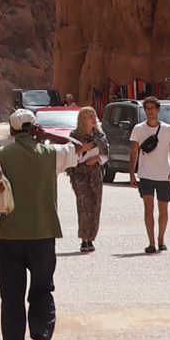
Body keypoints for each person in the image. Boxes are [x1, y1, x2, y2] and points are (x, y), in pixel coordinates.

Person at [0, 109, 78, 340]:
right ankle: (42, 338)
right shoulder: (51, 155)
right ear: (35, 129)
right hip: (44, 235)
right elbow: (77, 149)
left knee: (11, 298)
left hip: (10, 237)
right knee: (42, 290)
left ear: (11, 131)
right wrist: (48, 137)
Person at [129, 95, 170, 253]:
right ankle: (151, 243)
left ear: (158, 110)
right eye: (147, 109)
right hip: (145, 175)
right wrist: (132, 173)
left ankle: (161, 239)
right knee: (148, 209)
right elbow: (134, 151)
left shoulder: (168, 129)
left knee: (163, 209)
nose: (150, 111)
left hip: (164, 175)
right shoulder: (138, 129)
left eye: (152, 108)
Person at [68, 105, 107, 253]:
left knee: (95, 205)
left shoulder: (100, 135)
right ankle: (84, 239)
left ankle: (91, 238)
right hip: (80, 174)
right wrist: (82, 150)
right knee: (84, 206)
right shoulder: (75, 135)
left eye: (94, 115)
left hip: (95, 173)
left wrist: (97, 158)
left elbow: (106, 152)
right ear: (82, 119)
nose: (93, 118)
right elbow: (69, 154)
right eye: (89, 116)